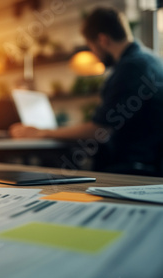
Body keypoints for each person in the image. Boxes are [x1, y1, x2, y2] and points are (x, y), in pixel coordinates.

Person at [10, 7, 163, 176]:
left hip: (133, 170)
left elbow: (99, 130)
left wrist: (41, 132)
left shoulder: (130, 68)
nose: (94, 55)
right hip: (151, 165)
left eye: (91, 47)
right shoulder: (153, 60)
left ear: (103, 39)